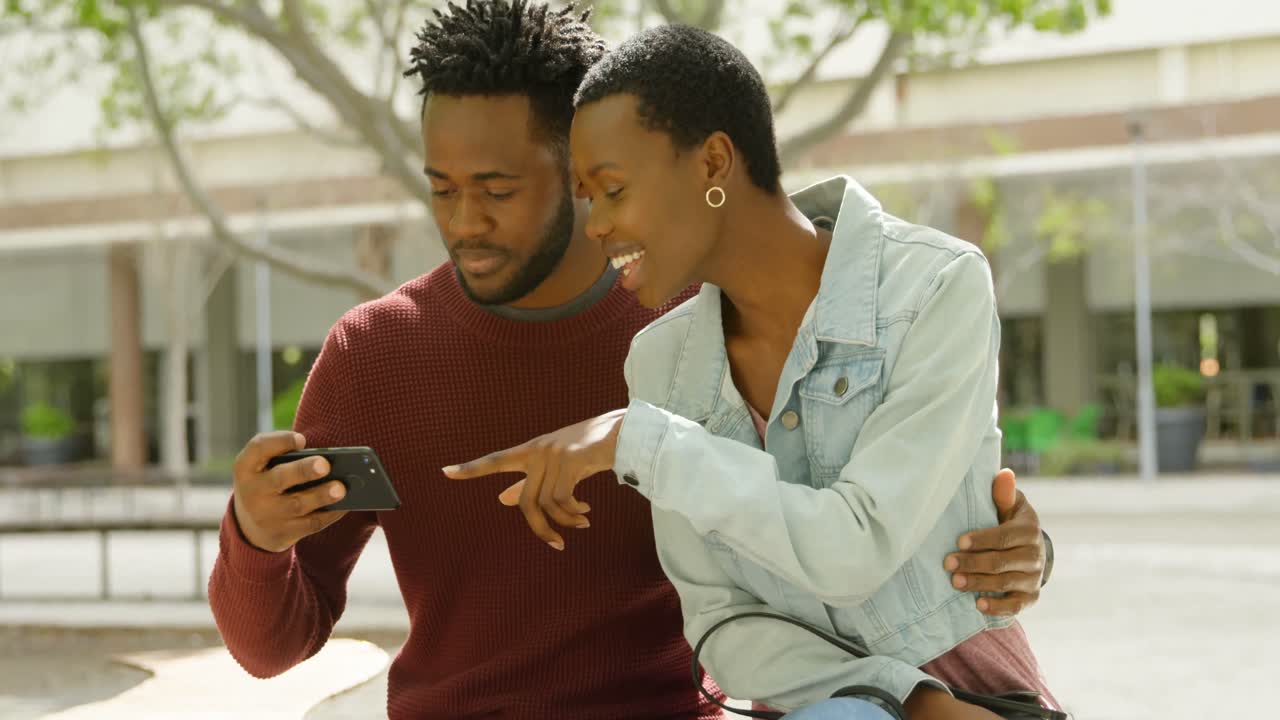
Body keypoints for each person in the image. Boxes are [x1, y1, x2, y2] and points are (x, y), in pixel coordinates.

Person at [208, 3, 1051, 718]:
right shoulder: (375, 354)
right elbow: (272, 650)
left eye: (498, 191)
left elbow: (828, 507)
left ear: (577, 168)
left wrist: (1008, 540)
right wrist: (256, 538)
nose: (464, 222)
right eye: (442, 189)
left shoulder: (690, 311)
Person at [444, 23, 1061, 720]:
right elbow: (721, 623)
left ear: (713, 163)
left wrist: (643, 442)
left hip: (985, 697)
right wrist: (910, 702)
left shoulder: (934, 287)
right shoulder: (660, 362)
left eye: (613, 190)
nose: (596, 225)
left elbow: (857, 549)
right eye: (590, 198)